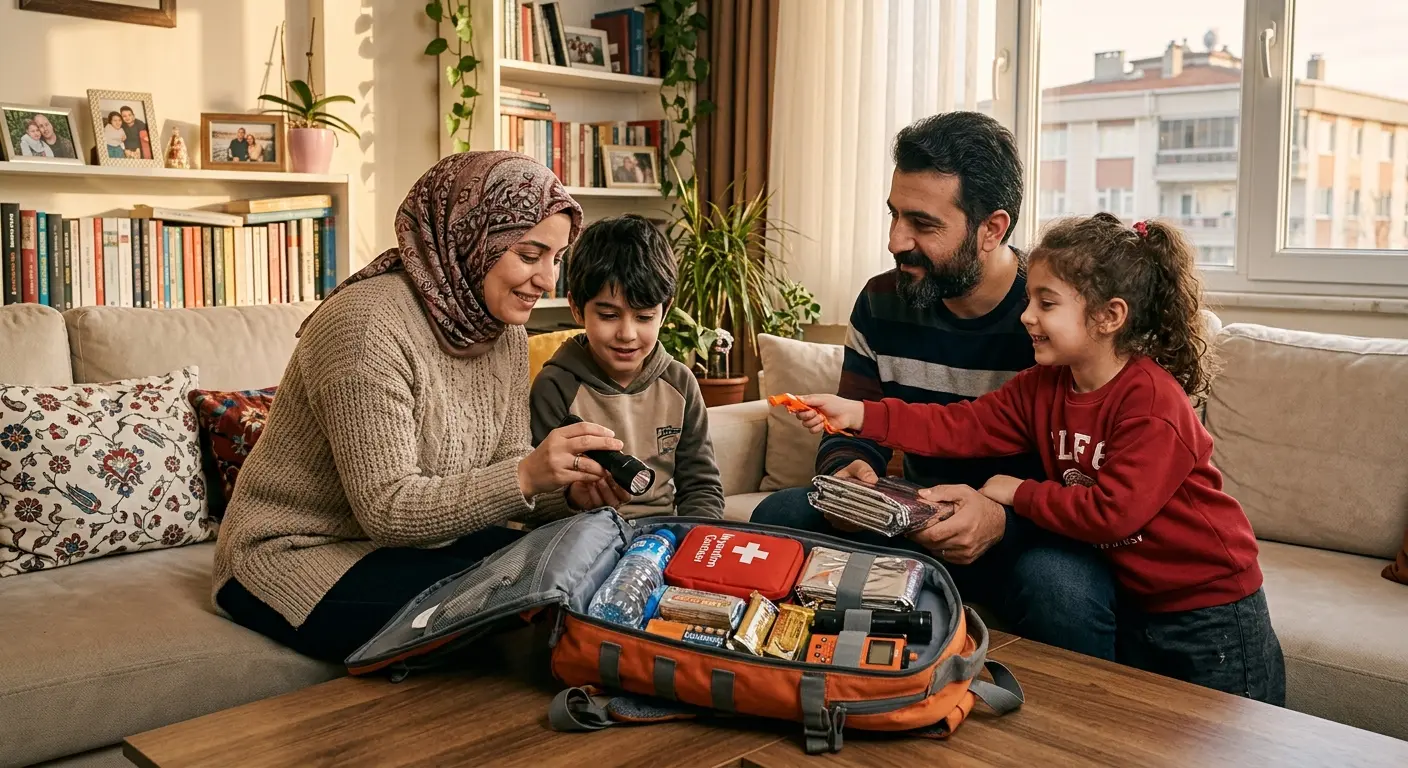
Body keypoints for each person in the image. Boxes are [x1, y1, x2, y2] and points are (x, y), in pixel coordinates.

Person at [786, 213, 1285, 704]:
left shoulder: (1152, 404)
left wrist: (1018, 492)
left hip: (1213, 609)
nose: (1027, 316)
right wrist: (859, 413)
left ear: (1110, 317)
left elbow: (1113, 513)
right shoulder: (1044, 386)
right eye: (1030, 300)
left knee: (1232, 747)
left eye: (1046, 303)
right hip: (1141, 600)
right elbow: (958, 425)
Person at [212, 151, 627, 663]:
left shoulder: (501, 333)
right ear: (472, 239)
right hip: (296, 554)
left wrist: (567, 493)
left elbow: (499, 467)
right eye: (529, 254)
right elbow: (387, 509)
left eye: (556, 257)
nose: (547, 279)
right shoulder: (365, 327)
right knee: (523, 611)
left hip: (409, 545)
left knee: (589, 564)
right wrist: (525, 476)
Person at [749, 111, 1119, 661]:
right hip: (908, 519)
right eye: (895, 215)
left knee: (1061, 588)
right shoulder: (881, 301)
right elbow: (858, 421)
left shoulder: (1053, 320)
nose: (897, 241)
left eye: (923, 224)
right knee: (778, 516)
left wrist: (1002, 519)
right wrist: (849, 470)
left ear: (992, 229)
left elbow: (1084, 475)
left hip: (1026, 531)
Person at [530, 215, 725, 519]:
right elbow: (538, 501)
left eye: (644, 317)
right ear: (576, 308)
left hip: (663, 536)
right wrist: (573, 499)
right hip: (581, 535)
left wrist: (693, 539)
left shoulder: (680, 382)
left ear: (665, 310)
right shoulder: (554, 386)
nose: (627, 334)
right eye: (609, 315)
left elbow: (701, 486)